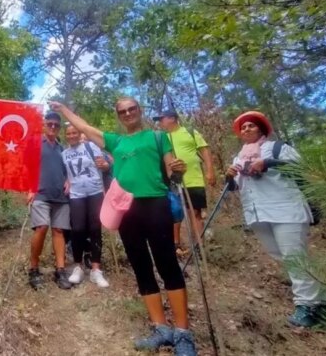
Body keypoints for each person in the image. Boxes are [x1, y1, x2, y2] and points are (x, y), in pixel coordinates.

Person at [50, 98, 197, 356]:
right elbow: (85, 127)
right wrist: (63, 110)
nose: (127, 113)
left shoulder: (158, 137)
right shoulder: (116, 142)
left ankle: (183, 333)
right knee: (141, 268)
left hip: (156, 205)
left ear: (139, 111)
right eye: (122, 111)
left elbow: (172, 171)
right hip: (126, 211)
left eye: (132, 109)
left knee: (168, 265)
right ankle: (160, 328)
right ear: (118, 116)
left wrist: (179, 170)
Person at [226, 111, 326, 328]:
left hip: (286, 209)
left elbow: (298, 167)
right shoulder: (239, 157)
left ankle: (306, 306)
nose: (247, 129)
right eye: (243, 127)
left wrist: (267, 163)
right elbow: (234, 187)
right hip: (257, 213)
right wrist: (229, 175)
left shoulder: (278, 148)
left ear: (261, 129)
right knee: (281, 256)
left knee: (294, 257)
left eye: (251, 126)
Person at [153, 109, 216, 253]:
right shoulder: (162, 137)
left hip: (193, 180)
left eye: (162, 119)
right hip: (171, 182)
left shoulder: (190, 132)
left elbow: (204, 150)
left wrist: (210, 171)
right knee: (175, 212)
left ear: (172, 118)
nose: (160, 122)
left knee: (195, 213)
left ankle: (200, 247)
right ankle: (176, 245)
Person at [28, 112, 72, 290]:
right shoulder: (36, 143)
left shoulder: (62, 149)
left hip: (61, 197)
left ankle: (60, 270)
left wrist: (68, 180)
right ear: (44, 125)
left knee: (59, 231)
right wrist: (29, 189)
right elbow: (27, 166)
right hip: (40, 193)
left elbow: (67, 169)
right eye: (50, 124)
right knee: (41, 227)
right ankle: (33, 268)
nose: (53, 127)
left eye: (56, 125)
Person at [62, 124, 109, 288]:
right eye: (69, 133)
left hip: (95, 192)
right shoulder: (64, 154)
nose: (72, 135)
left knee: (96, 228)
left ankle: (96, 269)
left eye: (75, 132)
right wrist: (66, 182)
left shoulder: (91, 146)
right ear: (66, 136)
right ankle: (78, 266)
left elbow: (105, 164)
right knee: (78, 229)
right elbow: (65, 174)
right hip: (76, 195)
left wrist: (105, 165)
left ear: (79, 133)